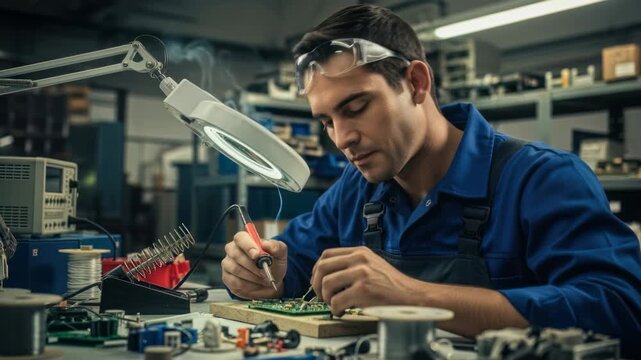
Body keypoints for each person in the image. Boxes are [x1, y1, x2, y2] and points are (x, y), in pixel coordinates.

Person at [222, 4, 641, 356]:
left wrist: (412, 297)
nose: (342, 139)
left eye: (356, 107)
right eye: (327, 121)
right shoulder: (357, 190)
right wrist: (261, 274)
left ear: (417, 83)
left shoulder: (541, 179)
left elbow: (618, 308)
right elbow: (291, 266)